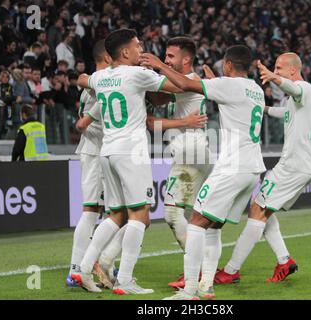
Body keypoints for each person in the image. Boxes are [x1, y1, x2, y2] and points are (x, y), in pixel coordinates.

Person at [140, 44, 267, 300]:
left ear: (229, 64)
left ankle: (189, 290)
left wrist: (159, 65)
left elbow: (187, 86)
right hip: (253, 168)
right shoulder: (255, 89)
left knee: (196, 222)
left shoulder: (227, 85)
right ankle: (206, 285)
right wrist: (213, 82)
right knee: (212, 227)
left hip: (232, 166)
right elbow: (229, 97)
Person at [95, 36, 214, 293]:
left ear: (186, 59)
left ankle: (198, 269)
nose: (166, 59)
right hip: (186, 155)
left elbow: (153, 120)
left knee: (169, 213)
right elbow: (160, 101)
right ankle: (105, 262)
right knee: (148, 216)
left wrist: (157, 67)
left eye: (171, 56)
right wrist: (141, 79)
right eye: (166, 55)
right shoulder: (180, 83)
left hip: (192, 155)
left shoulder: (191, 82)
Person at [73, 28, 181, 294]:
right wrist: (159, 66)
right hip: (131, 153)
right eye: (137, 45)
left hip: (107, 152)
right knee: (139, 215)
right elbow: (176, 87)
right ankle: (125, 281)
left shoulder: (100, 78)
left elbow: (84, 79)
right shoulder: (137, 74)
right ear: (125, 52)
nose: (141, 49)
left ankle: (83, 270)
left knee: (115, 214)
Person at [214, 53, 311, 284]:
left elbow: (295, 90)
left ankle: (231, 271)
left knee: (257, 210)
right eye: (275, 68)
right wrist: (262, 108)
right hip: (299, 164)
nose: (276, 70)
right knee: (264, 209)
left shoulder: (305, 89)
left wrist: (274, 79)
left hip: (293, 165)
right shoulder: (300, 100)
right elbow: (287, 113)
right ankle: (284, 261)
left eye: (279, 67)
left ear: (293, 70)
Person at [65, 40, 111, 288]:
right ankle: (75, 270)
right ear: (107, 56)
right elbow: (84, 121)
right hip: (95, 151)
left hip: (103, 151)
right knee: (92, 211)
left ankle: (103, 265)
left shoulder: (94, 80)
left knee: (109, 212)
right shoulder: (100, 82)